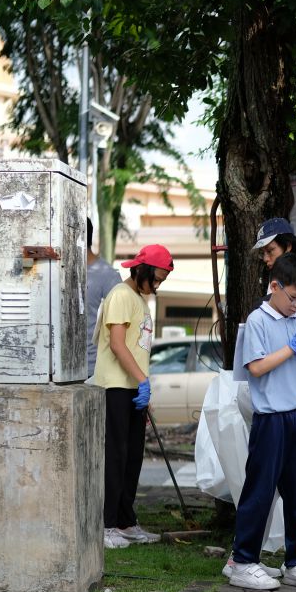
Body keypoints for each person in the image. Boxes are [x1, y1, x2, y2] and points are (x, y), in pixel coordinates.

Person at [229, 253, 296, 591]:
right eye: (294, 298)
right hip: (271, 418)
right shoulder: (258, 320)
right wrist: (293, 346)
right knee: (259, 490)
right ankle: (243, 560)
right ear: (276, 286)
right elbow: (255, 368)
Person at [93, 244, 174, 549]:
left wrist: (143, 386)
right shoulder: (120, 296)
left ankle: (126, 522)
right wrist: (143, 382)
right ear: (141, 271)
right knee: (115, 456)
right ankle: (107, 525)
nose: (158, 285)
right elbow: (117, 344)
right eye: (156, 279)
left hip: (133, 389)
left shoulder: (138, 299)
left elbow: (136, 349)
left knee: (132, 458)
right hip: (115, 387)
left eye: (162, 281)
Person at [85, 219, 124, 377]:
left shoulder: (108, 276)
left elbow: (121, 329)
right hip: (53, 371)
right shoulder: (56, 271)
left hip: (93, 371)